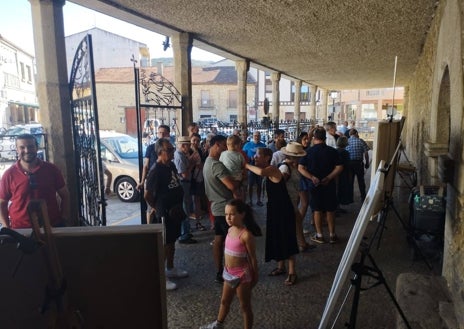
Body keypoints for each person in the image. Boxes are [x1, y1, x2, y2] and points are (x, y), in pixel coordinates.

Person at [200, 199, 261, 329]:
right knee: (224, 301)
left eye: (232, 214)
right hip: (228, 273)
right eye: (226, 214)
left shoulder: (246, 235)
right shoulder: (229, 230)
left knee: (245, 306)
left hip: (242, 275)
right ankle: (218, 324)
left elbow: (252, 258)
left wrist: (255, 276)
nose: (228, 217)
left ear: (242, 214)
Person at [246, 147, 299, 286]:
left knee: (286, 237)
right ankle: (281, 266)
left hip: (283, 209)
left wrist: (245, 164)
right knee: (276, 236)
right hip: (274, 209)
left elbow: (261, 172)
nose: (255, 157)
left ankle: (292, 272)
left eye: (258, 155)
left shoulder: (273, 169)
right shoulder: (272, 169)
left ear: (267, 158)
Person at [144, 138, 188, 291]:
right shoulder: (155, 171)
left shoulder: (170, 166)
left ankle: (171, 267)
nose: (171, 152)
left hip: (174, 210)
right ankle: (161, 276)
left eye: (172, 149)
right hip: (164, 212)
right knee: (164, 244)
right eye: (168, 150)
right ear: (159, 152)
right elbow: (147, 194)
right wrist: (156, 207)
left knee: (172, 240)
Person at [0, 134, 70, 229]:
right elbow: (2, 203)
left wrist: (64, 219)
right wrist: (6, 228)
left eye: (31, 146)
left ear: (37, 148)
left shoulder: (51, 170)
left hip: (51, 227)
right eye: (22, 147)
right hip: (21, 230)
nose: (27, 150)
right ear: (17, 149)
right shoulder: (9, 175)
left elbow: (65, 195)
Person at [203, 135, 241, 283]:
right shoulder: (216, 165)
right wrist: (240, 179)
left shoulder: (208, 162)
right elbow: (231, 185)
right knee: (230, 241)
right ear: (217, 145)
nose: (226, 148)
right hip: (224, 206)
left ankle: (220, 271)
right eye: (224, 145)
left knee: (219, 239)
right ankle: (230, 270)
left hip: (216, 206)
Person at [298, 128, 343, 244]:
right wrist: (329, 177)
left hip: (314, 185)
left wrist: (312, 177)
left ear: (314, 138)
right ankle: (332, 235)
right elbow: (339, 167)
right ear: (325, 138)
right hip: (329, 184)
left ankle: (319, 235)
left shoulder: (308, 151)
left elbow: (300, 168)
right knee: (330, 209)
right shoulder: (332, 151)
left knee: (317, 209)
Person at [278, 142, 312, 252]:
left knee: (297, 221)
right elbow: (279, 183)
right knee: (292, 223)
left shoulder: (292, 166)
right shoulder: (285, 167)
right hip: (287, 200)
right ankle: (292, 246)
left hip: (291, 199)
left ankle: (302, 244)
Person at [173, 136, 198, 244]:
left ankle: (186, 231)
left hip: (184, 184)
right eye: (188, 145)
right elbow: (185, 174)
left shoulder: (181, 155)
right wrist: (192, 163)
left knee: (186, 207)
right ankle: (184, 234)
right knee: (184, 209)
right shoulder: (179, 156)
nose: (189, 147)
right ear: (184, 146)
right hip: (183, 184)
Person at [137, 124, 171, 191]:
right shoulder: (151, 148)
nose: (162, 135)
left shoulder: (170, 148)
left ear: (168, 134)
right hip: (154, 177)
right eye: (160, 133)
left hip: (166, 177)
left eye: (164, 133)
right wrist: (142, 182)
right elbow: (146, 166)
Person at [242, 131, 266, 206]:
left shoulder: (263, 145)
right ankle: (250, 200)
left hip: (260, 168)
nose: (257, 137)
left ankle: (259, 200)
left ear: (260, 136)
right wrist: (249, 159)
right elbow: (243, 155)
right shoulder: (247, 145)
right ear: (253, 136)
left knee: (259, 184)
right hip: (250, 167)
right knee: (250, 184)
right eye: (255, 136)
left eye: (258, 136)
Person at [219, 135, 246, 201]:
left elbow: (220, 163)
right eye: (240, 145)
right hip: (237, 177)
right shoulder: (239, 155)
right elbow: (243, 165)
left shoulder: (223, 154)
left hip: (227, 177)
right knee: (238, 191)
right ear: (237, 145)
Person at [345, 129, 370, 202]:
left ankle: (350, 198)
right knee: (361, 181)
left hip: (349, 164)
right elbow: (366, 153)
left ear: (350, 135)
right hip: (358, 164)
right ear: (356, 133)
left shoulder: (346, 141)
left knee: (350, 181)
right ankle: (363, 197)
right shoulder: (361, 141)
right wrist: (367, 163)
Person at [190, 133, 207, 231]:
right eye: (194, 140)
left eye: (197, 140)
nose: (196, 142)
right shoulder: (188, 151)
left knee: (197, 201)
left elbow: (202, 163)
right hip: (191, 179)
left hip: (199, 179)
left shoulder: (200, 151)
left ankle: (198, 222)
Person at [335, 136, 353, 210]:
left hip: (335, 173)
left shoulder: (335, 151)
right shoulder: (345, 153)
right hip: (343, 174)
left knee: (337, 190)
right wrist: (350, 176)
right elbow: (348, 165)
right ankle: (337, 208)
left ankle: (337, 208)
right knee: (341, 190)